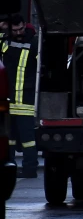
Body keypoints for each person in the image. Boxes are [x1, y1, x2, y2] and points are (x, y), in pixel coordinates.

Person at [2, 14, 38, 178]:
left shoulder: (34, 42)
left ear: (26, 25)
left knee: (27, 139)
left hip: (26, 99)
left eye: (21, 29)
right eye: (15, 30)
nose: (18, 32)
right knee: (9, 139)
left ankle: (30, 169)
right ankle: (10, 168)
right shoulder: (4, 41)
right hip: (9, 100)